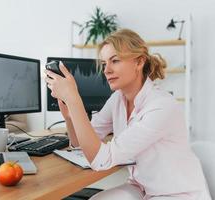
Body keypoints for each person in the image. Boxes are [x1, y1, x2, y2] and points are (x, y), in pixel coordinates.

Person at [44, 29, 211, 200]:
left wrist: (74, 100)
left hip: (176, 194)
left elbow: (102, 160)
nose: (106, 70)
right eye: (103, 64)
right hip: (141, 187)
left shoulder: (161, 106)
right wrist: (70, 116)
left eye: (114, 61)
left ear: (139, 62)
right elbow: (80, 142)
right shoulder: (118, 99)